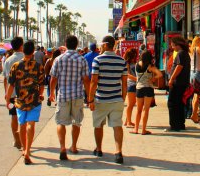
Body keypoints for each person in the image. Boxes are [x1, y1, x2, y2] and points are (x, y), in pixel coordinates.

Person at [49, 35, 90, 161]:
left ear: (65, 44)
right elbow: (86, 79)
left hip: (63, 95)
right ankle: (73, 146)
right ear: (77, 45)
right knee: (76, 122)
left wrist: (51, 93)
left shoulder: (58, 59)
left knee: (60, 122)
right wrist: (89, 96)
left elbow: (53, 78)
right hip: (77, 95)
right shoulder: (81, 59)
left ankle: (62, 148)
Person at [88, 35, 127, 164]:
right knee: (117, 126)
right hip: (116, 99)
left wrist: (90, 99)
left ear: (105, 45)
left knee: (98, 125)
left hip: (101, 99)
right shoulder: (122, 61)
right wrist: (122, 98)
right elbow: (124, 83)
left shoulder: (97, 60)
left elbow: (94, 81)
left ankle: (99, 149)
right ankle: (118, 151)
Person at [5, 40, 44, 165]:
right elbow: (42, 84)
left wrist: (7, 99)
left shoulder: (15, 66)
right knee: (30, 124)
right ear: (33, 51)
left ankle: (23, 148)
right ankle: (27, 150)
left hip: (20, 100)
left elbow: (10, 85)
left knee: (21, 124)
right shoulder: (38, 66)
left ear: (23, 50)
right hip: (34, 100)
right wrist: (41, 93)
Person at [132, 50, 162, 135]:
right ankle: (143, 130)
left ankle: (136, 129)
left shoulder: (137, 65)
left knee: (138, 110)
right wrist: (153, 78)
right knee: (146, 110)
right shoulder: (150, 66)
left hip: (139, 88)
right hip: (148, 88)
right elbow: (160, 74)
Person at [3, 36, 25, 149]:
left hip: (12, 93)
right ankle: (24, 140)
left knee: (14, 116)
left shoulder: (8, 60)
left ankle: (17, 140)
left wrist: (6, 93)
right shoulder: (27, 58)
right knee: (24, 117)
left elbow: (5, 79)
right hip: (25, 93)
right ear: (22, 45)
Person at [167, 37, 190, 132]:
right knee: (179, 103)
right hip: (182, 82)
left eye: (173, 45)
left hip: (178, 82)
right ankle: (180, 124)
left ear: (177, 45)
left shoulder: (180, 54)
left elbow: (179, 67)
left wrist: (171, 79)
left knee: (172, 103)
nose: (172, 47)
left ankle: (174, 125)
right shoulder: (185, 53)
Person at [123, 48, 138, 128]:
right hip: (131, 84)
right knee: (130, 104)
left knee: (131, 104)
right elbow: (127, 74)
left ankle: (127, 120)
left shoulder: (133, 62)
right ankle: (128, 122)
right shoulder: (126, 63)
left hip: (134, 84)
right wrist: (137, 79)